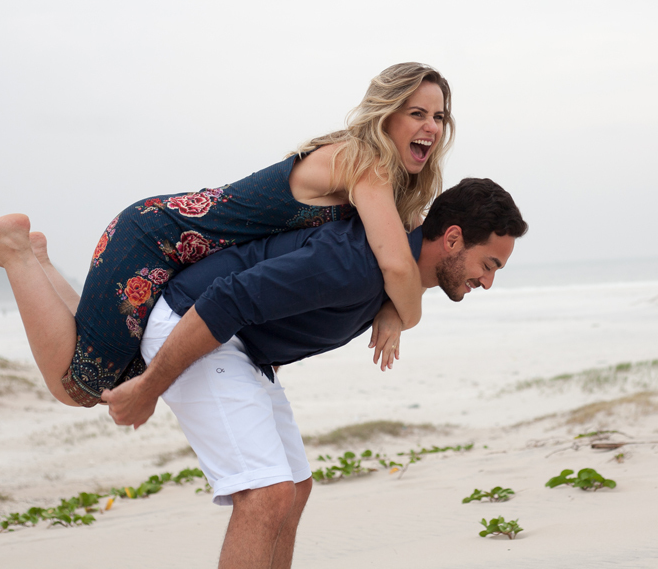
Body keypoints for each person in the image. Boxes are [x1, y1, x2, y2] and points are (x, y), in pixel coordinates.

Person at [0, 63, 453, 407]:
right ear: (386, 115)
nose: (430, 126)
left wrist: (391, 310)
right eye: (416, 113)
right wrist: (409, 313)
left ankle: (37, 260)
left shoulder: (388, 186)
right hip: (153, 239)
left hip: (179, 259)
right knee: (81, 388)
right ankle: (17, 252)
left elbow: (398, 259)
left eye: (439, 116)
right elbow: (399, 268)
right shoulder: (363, 163)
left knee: (110, 359)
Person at [104, 177, 527, 569]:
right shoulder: (354, 266)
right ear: (452, 238)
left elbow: (402, 281)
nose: (487, 282)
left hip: (242, 345)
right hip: (192, 321)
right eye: (488, 265)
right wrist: (149, 387)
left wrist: (394, 313)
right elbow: (228, 299)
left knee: (294, 489)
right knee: (265, 494)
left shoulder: (393, 273)